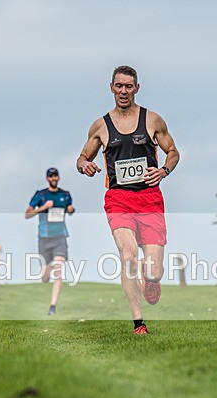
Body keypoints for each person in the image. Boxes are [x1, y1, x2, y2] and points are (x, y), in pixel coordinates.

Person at [76, 65, 179, 335]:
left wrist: (164, 170)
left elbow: (173, 152)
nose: (123, 91)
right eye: (119, 86)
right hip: (118, 199)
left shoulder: (153, 120)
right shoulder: (100, 126)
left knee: (154, 269)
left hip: (150, 198)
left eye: (128, 86)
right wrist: (84, 165)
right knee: (128, 255)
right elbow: (82, 157)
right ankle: (139, 323)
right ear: (111, 87)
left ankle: (152, 279)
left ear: (136, 88)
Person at [25, 167, 75, 315]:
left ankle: (53, 306)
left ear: (58, 177)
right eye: (51, 176)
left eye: (55, 176)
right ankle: (49, 268)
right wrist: (43, 208)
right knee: (45, 277)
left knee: (59, 271)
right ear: (47, 178)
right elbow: (27, 214)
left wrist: (71, 209)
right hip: (44, 239)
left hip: (60, 237)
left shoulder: (65, 195)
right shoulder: (41, 195)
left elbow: (70, 208)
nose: (53, 178)